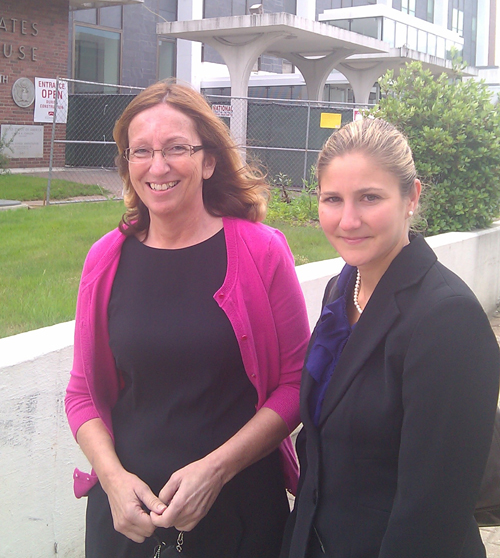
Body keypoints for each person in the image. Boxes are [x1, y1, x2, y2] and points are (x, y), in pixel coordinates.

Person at [65, 79, 310, 558]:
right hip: (126, 518)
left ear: (209, 160)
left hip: (238, 513)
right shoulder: (105, 259)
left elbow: (296, 384)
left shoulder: (260, 251)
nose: (158, 166)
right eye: (141, 151)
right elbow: (80, 394)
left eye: (176, 148)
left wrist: (215, 470)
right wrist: (112, 481)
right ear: (127, 164)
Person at [280, 118, 500, 558]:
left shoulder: (446, 318)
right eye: (332, 199)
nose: (348, 219)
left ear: (411, 198)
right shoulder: (343, 286)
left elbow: (432, 510)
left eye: (370, 198)